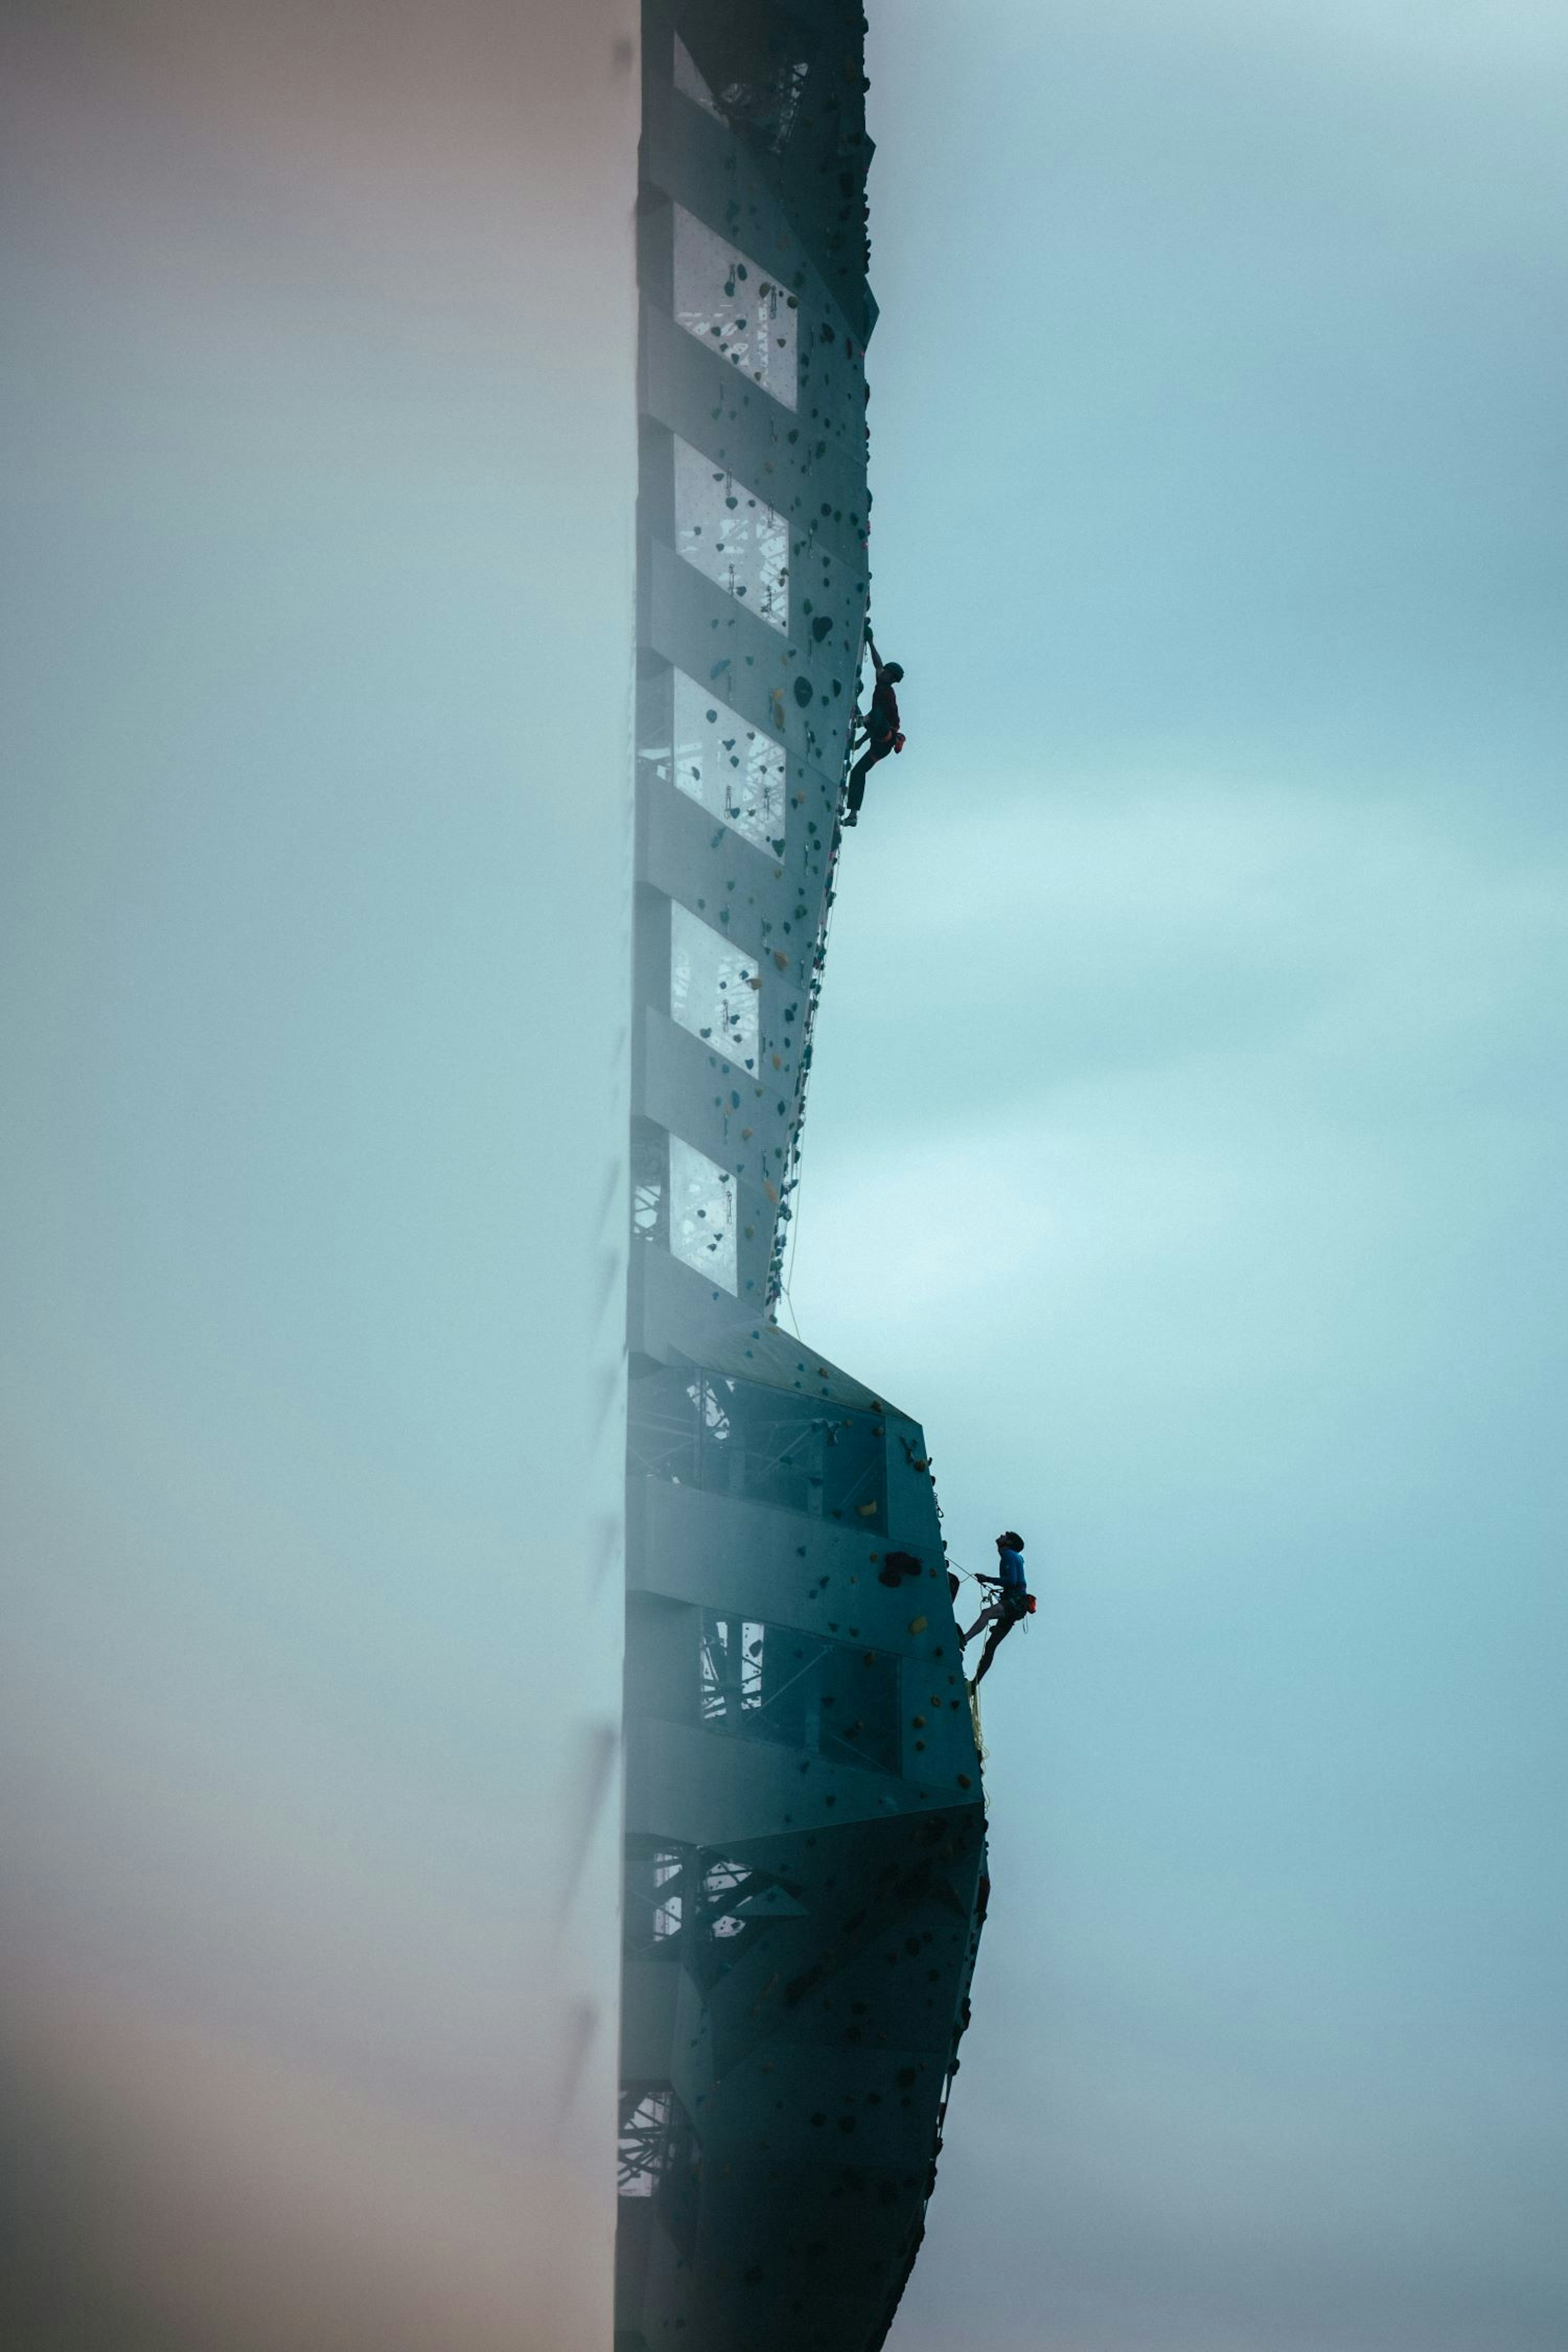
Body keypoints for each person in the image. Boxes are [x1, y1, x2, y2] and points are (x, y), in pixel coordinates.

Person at [842, 632, 905, 825]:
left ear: (892, 677)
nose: (882, 672)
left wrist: (861, 737)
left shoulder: (888, 695)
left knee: (875, 713)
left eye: (887, 672)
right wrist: (870, 641)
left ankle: (861, 719)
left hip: (887, 737)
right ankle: (853, 815)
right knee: (858, 773)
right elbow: (878, 664)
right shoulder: (882, 684)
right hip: (879, 740)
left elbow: (878, 719)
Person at [962, 1531, 1031, 1686]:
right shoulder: (1014, 1557)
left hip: (1015, 1602)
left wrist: (988, 1579)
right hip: (1018, 1605)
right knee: (991, 1645)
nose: (1002, 1535)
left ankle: (964, 1640)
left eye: (1006, 1535)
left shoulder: (1009, 1555)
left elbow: (1012, 1581)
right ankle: (975, 1684)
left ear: (1009, 1543)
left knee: (987, 1614)